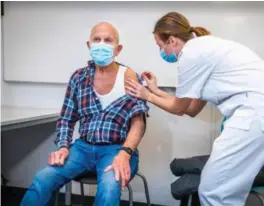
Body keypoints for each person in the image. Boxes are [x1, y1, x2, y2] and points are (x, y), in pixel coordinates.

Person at [126, 11, 264, 206]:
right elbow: (191, 109)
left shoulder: (191, 54)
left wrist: (146, 95)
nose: (161, 52)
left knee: (213, 190)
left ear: (172, 40)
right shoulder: (204, 49)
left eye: (159, 45)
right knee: (224, 190)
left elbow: (179, 108)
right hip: (254, 116)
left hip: (253, 115)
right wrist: (155, 90)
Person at [20, 22, 149, 206]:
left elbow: (139, 123)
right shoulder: (79, 77)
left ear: (118, 49)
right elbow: (66, 119)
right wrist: (63, 146)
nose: (102, 44)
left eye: (108, 40)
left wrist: (125, 153)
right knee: (43, 178)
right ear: (89, 45)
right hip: (83, 148)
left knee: (109, 189)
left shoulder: (129, 77)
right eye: (97, 39)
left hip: (117, 149)